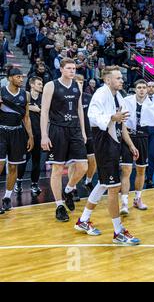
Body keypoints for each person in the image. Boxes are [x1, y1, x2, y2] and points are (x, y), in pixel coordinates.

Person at [74, 65, 141, 245]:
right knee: (113, 187)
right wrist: (112, 118)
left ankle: (83, 220)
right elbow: (93, 117)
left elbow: (121, 124)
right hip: (104, 144)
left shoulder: (117, 96)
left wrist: (130, 144)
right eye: (118, 78)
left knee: (104, 184)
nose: (121, 80)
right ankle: (118, 231)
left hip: (116, 143)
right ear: (107, 79)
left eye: (121, 78)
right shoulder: (100, 95)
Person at [40, 58, 88, 222]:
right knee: (57, 169)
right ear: (61, 69)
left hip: (74, 130)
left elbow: (79, 109)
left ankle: (68, 189)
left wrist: (83, 131)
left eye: (74, 68)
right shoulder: (51, 85)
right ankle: (59, 205)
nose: (72, 71)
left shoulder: (78, 85)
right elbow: (44, 112)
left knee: (83, 166)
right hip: (57, 129)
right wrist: (44, 135)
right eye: (69, 68)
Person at [119, 79, 154, 214]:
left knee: (141, 171)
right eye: (139, 87)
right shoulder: (126, 101)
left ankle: (138, 199)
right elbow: (122, 125)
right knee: (126, 170)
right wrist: (130, 144)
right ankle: (124, 203)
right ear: (135, 89)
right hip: (129, 137)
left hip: (143, 138)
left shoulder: (150, 105)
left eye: (144, 87)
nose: (141, 90)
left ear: (147, 90)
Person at [0, 68, 34, 212]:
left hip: (17, 133)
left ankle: (7, 197)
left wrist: (31, 136)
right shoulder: (1, 91)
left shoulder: (25, 95)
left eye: (22, 77)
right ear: (9, 78)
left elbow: (26, 117)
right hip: (1, 131)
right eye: (18, 77)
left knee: (13, 167)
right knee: (0, 164)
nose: (21, 79)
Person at [16, 76, 43, 198]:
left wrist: (39, 110)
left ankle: (34, 184)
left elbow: (48, 113)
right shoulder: (26, 96)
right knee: (23, 160)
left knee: (37, 161)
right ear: (32, 85)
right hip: (25, 134)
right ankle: (18, 182)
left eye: (41, 83)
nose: (41, 85)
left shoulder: (43, 98)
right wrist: (31, 108)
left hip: (39, 133)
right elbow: (19, 109)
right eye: (39, 83)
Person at [74, 74, 96, 196]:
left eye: (81, 82)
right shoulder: (69, 98)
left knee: (92, 161)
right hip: (74, 135)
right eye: (77, 82)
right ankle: (72, 188)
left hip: (89, 134)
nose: (79, 84)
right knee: (75, 164)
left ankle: (88, 181)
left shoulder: (89, 98)